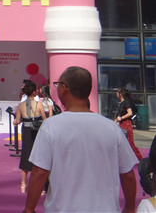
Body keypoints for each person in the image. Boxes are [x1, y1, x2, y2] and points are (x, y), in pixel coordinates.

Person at [23, 66, 138, 213]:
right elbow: (127, 174)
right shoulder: (111, 128)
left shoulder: (50, 126)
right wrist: (130, 208)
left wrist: (29, 209)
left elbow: (39, 172)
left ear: (64, 87)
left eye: (57, 84)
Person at [13, 80, 46, 193]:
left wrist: (16, 121)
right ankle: (40, 187)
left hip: (26, 132)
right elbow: (44, 120)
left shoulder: (21, 105)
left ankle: (23, 184)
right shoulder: (39, 104)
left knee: (25, 156)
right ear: (34, 92)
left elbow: (17, 121)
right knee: (39, 158)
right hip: (37, 132)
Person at [114, 87, 144, 161]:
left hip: (126, 124)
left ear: (121, 94)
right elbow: (119, 116)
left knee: (130, 143)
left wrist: (121, 118)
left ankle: (140, 159)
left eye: (117, 92)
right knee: (123, 143)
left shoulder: (126, 102)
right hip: (122, 124)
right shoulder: (122, 103)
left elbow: (130, 113)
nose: (116, 94)